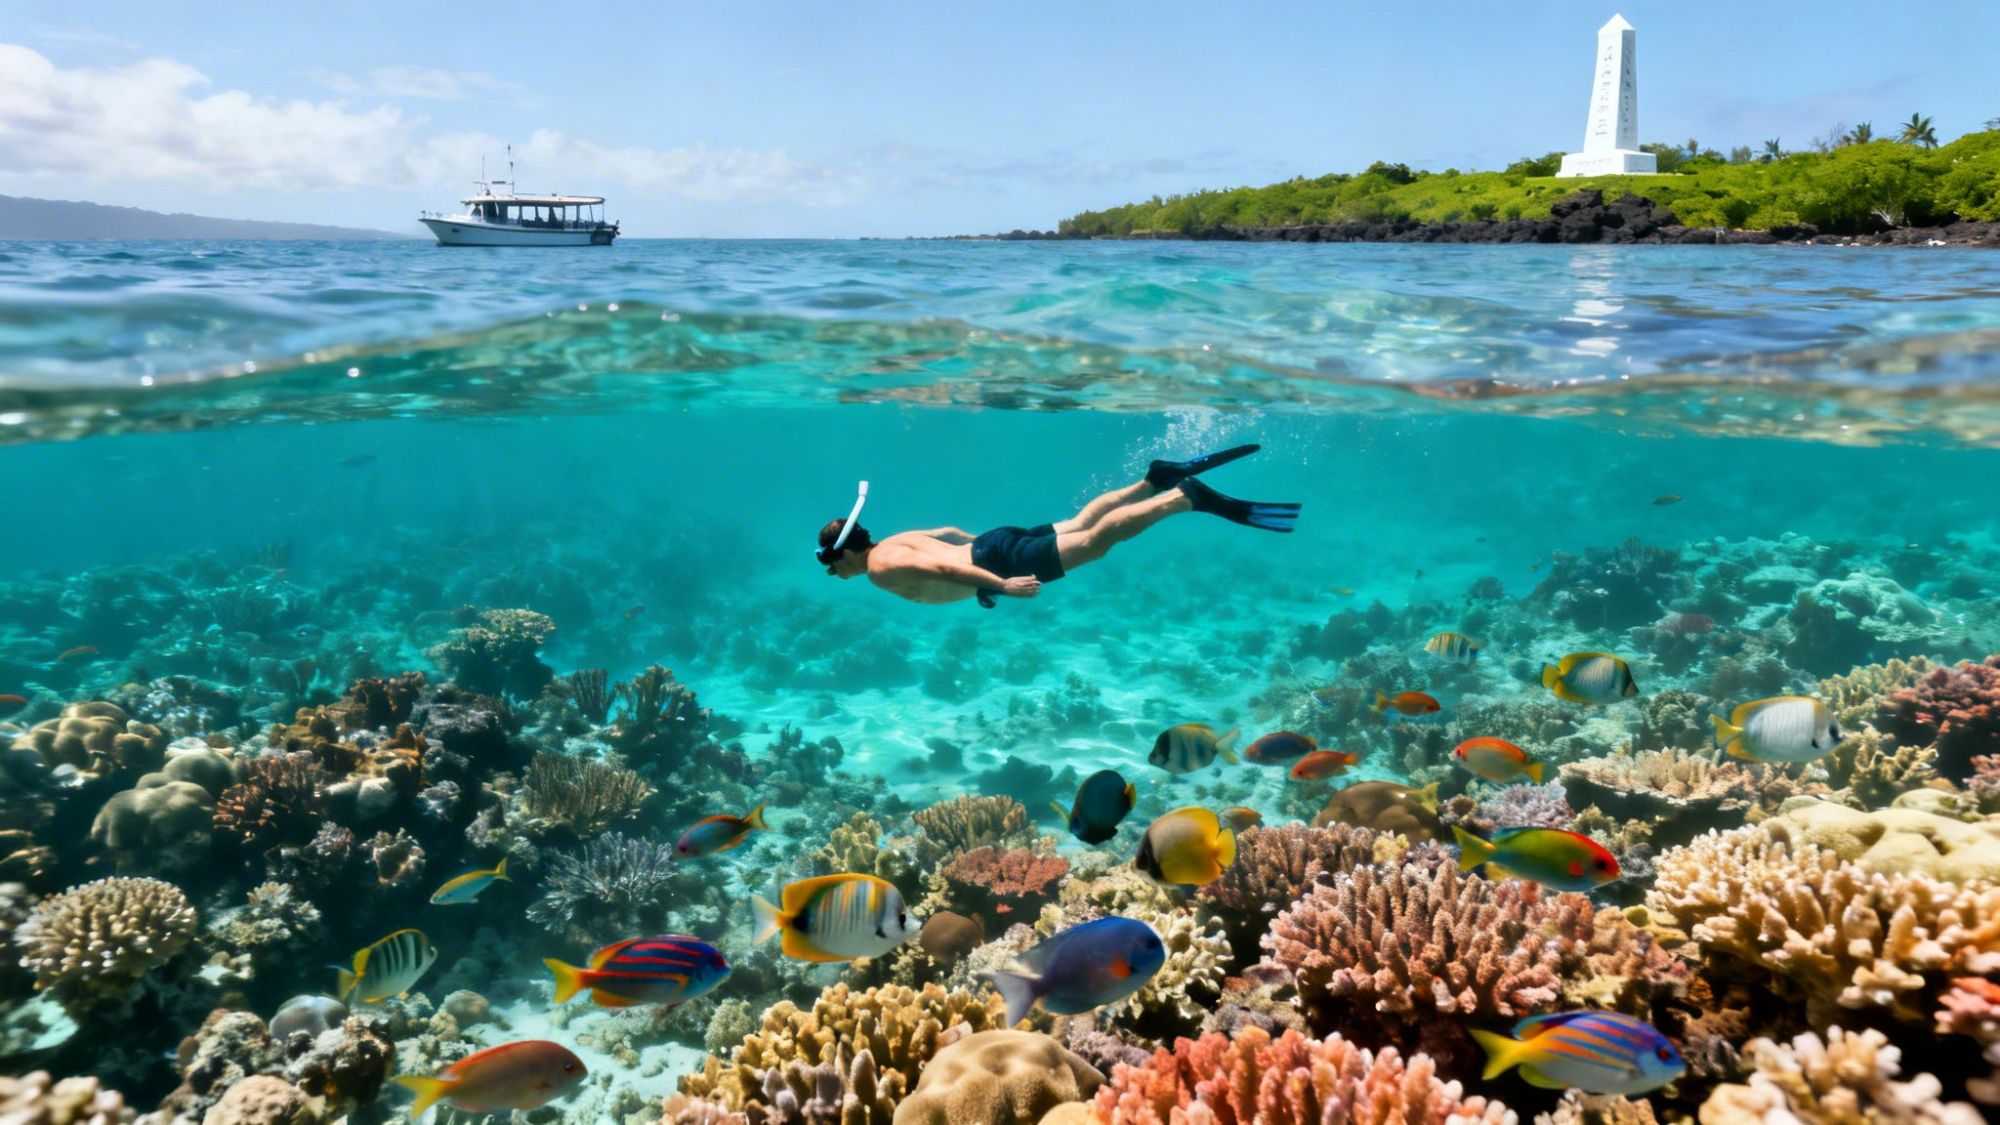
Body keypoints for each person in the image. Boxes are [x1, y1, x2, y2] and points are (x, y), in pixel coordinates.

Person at [815, 445, 1298, 606]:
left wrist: (999, 583)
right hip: (993, 543)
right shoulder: (895, 540)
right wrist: (985, 567)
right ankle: (1153, 479)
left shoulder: (880, 568)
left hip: (994, 561)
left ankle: (1181, 497)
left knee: (1094, 542)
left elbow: (947, 573)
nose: (834, 575)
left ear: (843, 554)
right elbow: (950, 535)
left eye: (831, 567)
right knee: (1081, 520)